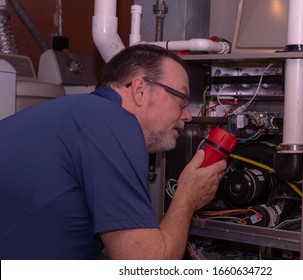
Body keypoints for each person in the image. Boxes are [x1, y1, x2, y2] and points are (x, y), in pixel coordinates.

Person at [0, 44, 227, 259]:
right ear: (140, 90)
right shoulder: (113, 123)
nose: (187, 115)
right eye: (182, 99)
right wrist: (187, 196)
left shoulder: (83, 114)